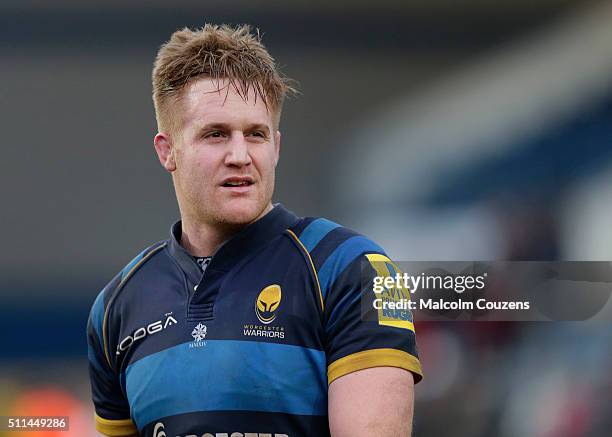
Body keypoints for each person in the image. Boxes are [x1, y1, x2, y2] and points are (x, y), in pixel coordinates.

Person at [87, 24, 422, 437]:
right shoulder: (115, 309)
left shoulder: (351, 268)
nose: (240, 155)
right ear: (167, 149)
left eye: (256, 135)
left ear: (276, 147)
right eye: (215, 135)